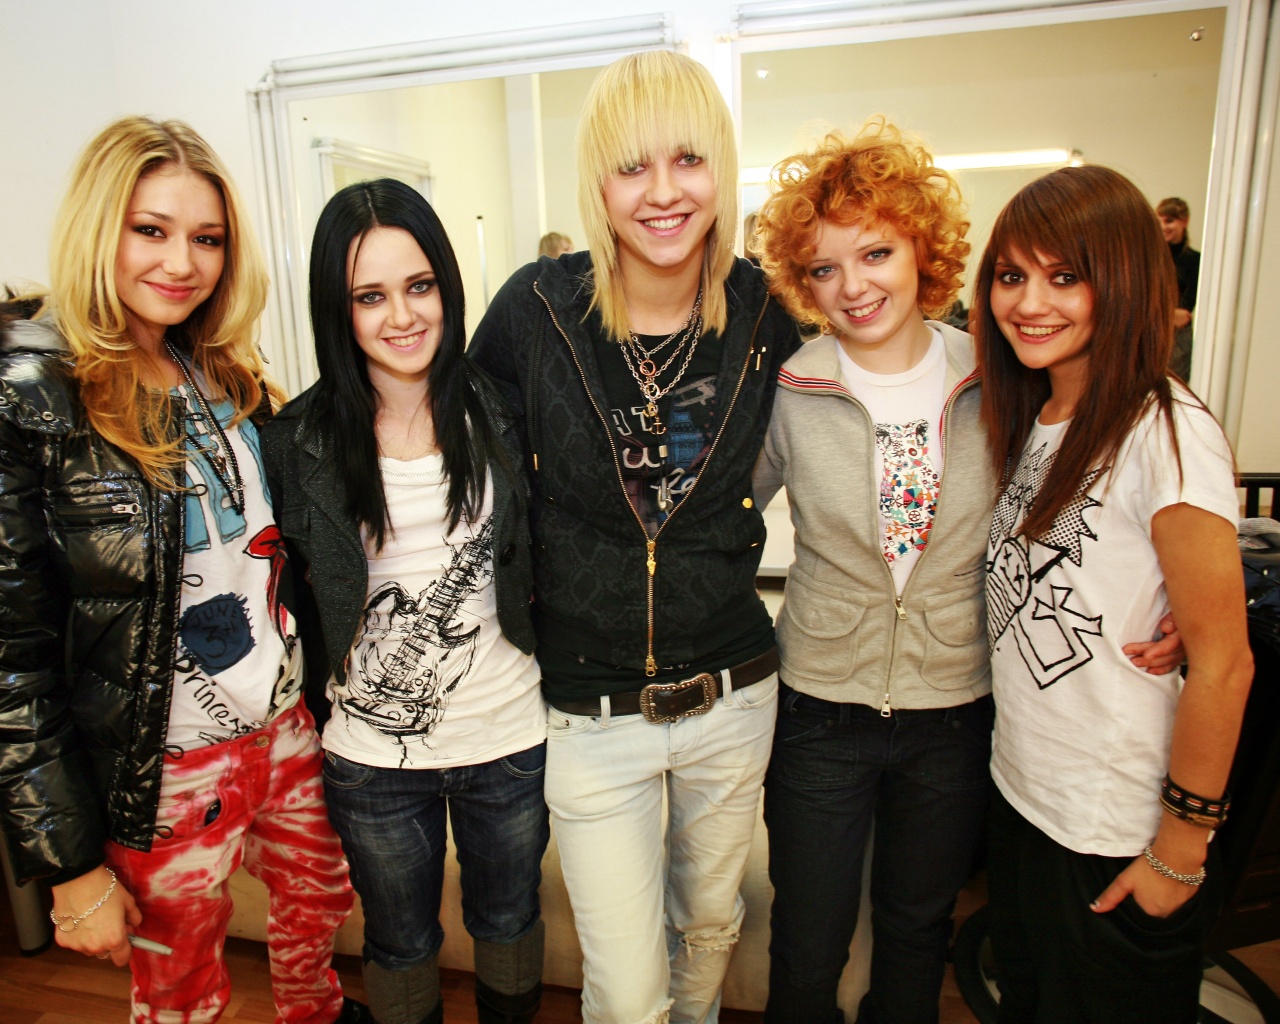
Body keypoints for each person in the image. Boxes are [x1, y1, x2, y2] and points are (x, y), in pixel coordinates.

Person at [750, 123, 1189, 1024]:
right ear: (802, 281)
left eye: (876, 253)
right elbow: (718, 524)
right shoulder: (791, 388)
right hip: (820, 709)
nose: (854, 285)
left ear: (924, 249)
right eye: (825, 268)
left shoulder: (999, 374)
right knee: (808, 940)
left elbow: (1085, 494)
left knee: (916, 930)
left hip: (955, 708)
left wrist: (1176, 590)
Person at [0, 116, 363, 1023]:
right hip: (162, 769)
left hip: (283, 730)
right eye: (150, 230)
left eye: (207, 238)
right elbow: (12, 660)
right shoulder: (34, 397)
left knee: (322, 904)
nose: (182, 262)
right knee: (181, 992)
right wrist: (68, 868)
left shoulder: (222, 372)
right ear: (99, 228)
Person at [470, 49, 801, 1024]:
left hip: (733, 693)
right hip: (589, 709)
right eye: (631, 166)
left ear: (720, 168)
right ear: (598, 182)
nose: (662, 193)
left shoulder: (767, 315)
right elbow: (455, 459)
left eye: (687, 159)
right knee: (623, 990)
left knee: (708, 929)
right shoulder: (536, 312)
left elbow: (871, 414)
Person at [261, 178, 548, 1024]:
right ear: (337, 308)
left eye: (419, 285)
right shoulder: (295, 442)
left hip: (509, 736)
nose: (402, 316)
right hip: (370, 760)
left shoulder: (504, 409)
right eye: (369, 295)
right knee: (399, 943)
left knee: (509, 921)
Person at [975, 165, 1253, 1023]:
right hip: (1026, 799)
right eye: (1011, 275)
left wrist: (1181, 848)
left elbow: (1226, 665)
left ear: (1124, 280)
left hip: (1113, 827)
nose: (1029, 303)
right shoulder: (1038, 416)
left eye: (1065, 276)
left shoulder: (1164, 429)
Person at [1156, 196, 1200, 380]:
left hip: (1178, 341)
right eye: (1159, 221)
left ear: (1184, 221)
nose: (1163, 226)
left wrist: (1156, 313)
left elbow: (1185, 311)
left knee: (1173, 387)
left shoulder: (1195, 260)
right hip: (1150, 333)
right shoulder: (1151, 258)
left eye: (1169, 221)